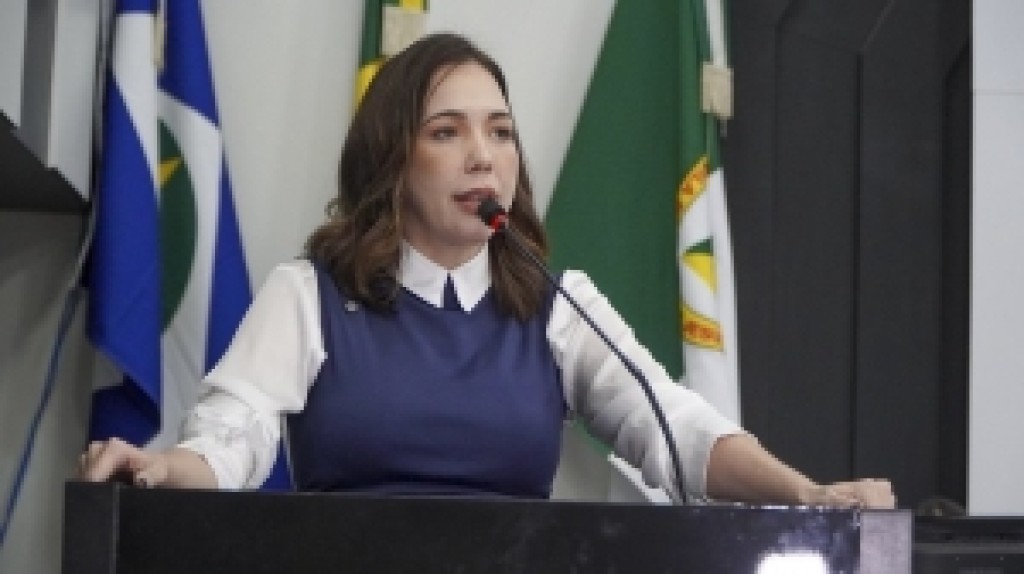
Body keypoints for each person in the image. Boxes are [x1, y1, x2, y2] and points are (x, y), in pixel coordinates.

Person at [80, 32, 894, 509]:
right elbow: (233, 437)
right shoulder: (311, 294)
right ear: (392, 160)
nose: (483, 156)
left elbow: (672, 427)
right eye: (447, 132)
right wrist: (162, 468)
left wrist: (806, 494)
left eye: (501, 132)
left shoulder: (556, 304)